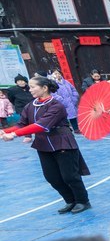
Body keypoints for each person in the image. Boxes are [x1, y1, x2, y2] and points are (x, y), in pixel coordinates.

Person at [1, 76, 92, 213]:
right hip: (43, 144)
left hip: (62, 142)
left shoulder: (56, 105)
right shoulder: (30, 106)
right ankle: (70, 200)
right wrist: (4, 131)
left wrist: (14, 135)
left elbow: (42, 125)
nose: (30, 90)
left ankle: (82, 201)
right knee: (52, 177)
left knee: (70, 176)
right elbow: (21, 124)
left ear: (44, 88)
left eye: (33, 87)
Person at [49, 69, 80, 134]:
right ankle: (67, 129)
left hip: (71, 102)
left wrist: (74, 98)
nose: (58, 75)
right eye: (55, 74)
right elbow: (53, 94)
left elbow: (73, 90)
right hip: (62, 103)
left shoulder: (66, 82)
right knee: (64, 117)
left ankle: (76, 129)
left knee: (73, 117)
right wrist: (62, 100)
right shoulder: (53, 84)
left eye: (58, 73)